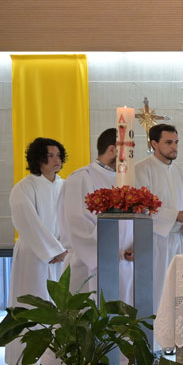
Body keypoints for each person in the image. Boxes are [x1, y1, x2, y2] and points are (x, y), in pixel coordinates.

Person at [6, 138, 67, 365]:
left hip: (61, 254)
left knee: (58, 305)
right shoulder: (24, 187)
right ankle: (30, 356)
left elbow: (71, 218)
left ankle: (55, 357)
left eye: (58, 155)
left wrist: (63, 248)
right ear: (38, 159)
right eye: (50, 156)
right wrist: (51, 249)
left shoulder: (64, 186)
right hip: (34, 254)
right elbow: (26, 220)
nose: (56, 160)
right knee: (33, 301)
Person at [57, 128, 134, 301]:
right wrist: (105, 252)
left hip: (125, 265)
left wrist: (133, 247)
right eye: (129, 151)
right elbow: (77, 225)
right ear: (112, 149)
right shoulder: (81, 178)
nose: (131, 157)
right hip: (89, 265)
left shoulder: (127, 180)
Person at [135, 124, 183, 311]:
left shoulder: (182, 173)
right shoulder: (141, 170)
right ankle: (154, 340)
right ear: (154, 143)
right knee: (157, 296)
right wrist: (174, 216)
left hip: (178, 242)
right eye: (169, 142)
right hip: (154, 242)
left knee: (179, 296)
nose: (175, 147)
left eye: (177, 142)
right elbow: (141, 208)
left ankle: (173, 340)